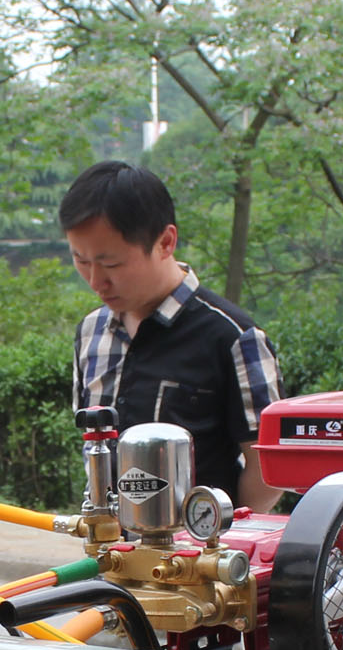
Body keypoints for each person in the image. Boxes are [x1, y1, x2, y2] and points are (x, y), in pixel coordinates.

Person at [63, 161, 284, 511]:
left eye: (112, 264)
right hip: (107, 542)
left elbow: (269, 468)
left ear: (165, 242)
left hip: (200, 544)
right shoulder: (91, 333)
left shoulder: (233, 337)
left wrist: (218, 531)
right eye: (81, 261)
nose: (95, 281)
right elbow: (92, 446)